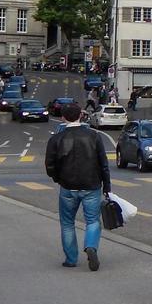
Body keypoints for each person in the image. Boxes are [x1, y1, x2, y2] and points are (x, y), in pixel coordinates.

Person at [43, 104, 110, 270]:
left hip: (68, 187)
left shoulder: (56, 139)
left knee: (67, 223)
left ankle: (71, 259)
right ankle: (91, 247)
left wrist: (58, 179)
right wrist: (106, 185)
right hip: (91, 185)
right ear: (81, 116)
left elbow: (49, 165)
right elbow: (103, 163)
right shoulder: (93, 136)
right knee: (93, 220)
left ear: (63, 118)